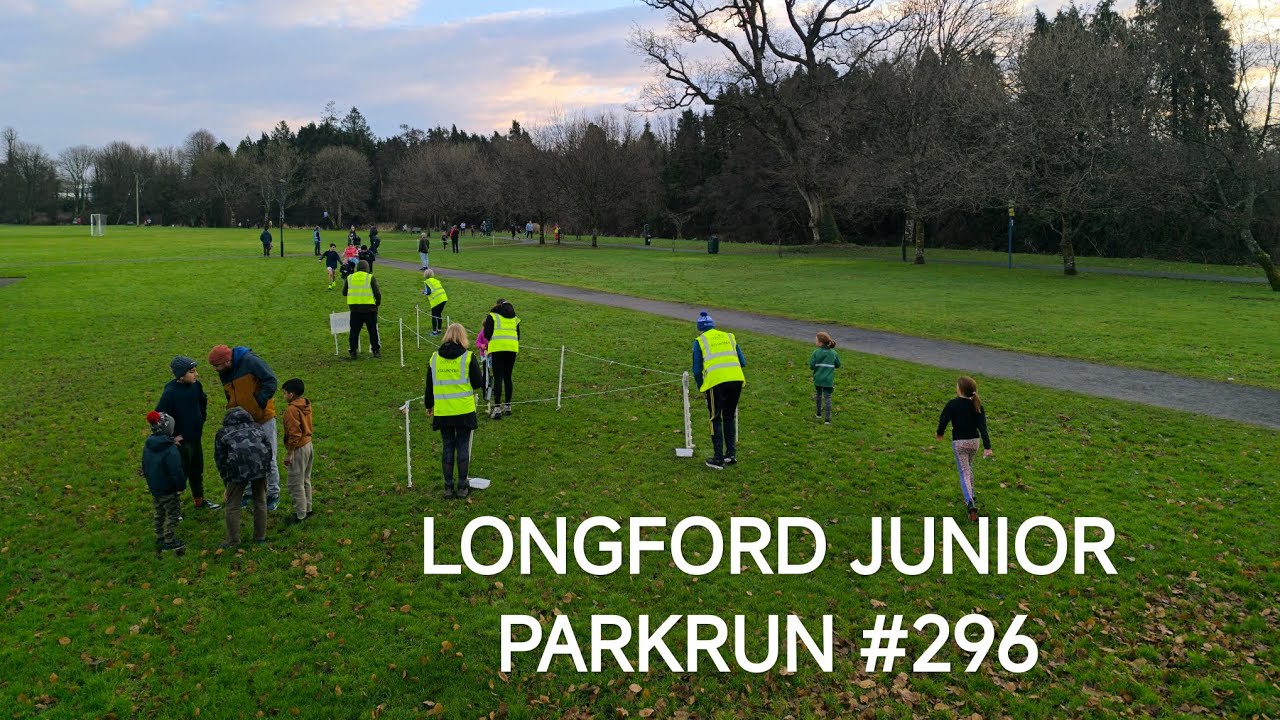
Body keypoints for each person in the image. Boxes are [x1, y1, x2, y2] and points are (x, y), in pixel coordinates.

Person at [208, 344, 281, 510]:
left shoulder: (251, 361)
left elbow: (271, 380)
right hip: (241, 421)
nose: (216, 370)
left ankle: (273, 493)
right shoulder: (224, 371)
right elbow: (229, 393)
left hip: (263, 417)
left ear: (227, 361)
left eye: (217, 366)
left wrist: (258, 403)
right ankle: (248, 492)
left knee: (268, 456)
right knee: (243, 455)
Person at [423, 323, 484, 499]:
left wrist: (429, 406)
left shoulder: (434, 358)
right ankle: (462, 486)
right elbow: (478, 383)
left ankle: (448, 487)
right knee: (462, 447)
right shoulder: (468, 357)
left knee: (448, 447)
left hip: (443, 412)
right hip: (464, 410)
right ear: (462, 337)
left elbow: (429, 387)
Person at [156, 355, 219, 510]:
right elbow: (159, 417)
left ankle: (199, 500)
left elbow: (202, 401)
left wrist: (201, 420)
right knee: (179, 476)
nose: (196, 374)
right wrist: (170, 439)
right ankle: (174, 509)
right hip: (180, 444)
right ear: (181, 375)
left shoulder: (196, 386)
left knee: (197, 470)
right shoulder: (170, 393)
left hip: (195, 438)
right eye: (192, 371)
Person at [691, 311, 745, 470]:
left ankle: (718, 458)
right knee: (729, 416)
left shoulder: (699, 341)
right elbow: (742, 361)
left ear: (699, 328)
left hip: (716, 383)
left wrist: (702, 387)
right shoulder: (729, 336)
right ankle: (731, 455)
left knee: (715, 418)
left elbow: (696, 370)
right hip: (736, 380)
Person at [936, 376, 992, 523]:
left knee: (964, 472)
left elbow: (944, 419)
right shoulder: (977, 405)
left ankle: (970, 504)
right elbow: (983, 427)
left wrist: (940, 432)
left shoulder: (953, 404)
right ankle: (971, 495)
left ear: (959, 389)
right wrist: (987, 446)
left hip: (960, 443)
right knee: (968, 468)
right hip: (974, 442)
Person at [215, 407, 272, 547]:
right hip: (260, 468)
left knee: (232, 505)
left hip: (236, 470)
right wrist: (266, 469)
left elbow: (220, 459)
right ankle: (260, 537)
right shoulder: (258, 428)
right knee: (260, 501)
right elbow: (269, 449)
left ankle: (233, 541)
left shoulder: (222, 433)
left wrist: (226, 482)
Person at [142, 411, 187, 554]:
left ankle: (160, 536)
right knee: (173, 513)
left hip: (155, 487)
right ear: (168, 429)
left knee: (159, 512)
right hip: (168, 489)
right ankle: (169, 541)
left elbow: (144, 466)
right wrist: (181, 485)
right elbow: (176, 471)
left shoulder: (149, 445)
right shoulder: (170, 450)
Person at [281, 378, 314, 526]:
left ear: (292, 394)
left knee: (295, 483)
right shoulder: (305, 404)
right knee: (305, 479)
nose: (283, 396)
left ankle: (300, 514)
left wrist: (290, 453)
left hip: (299, 448)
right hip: (309, 445)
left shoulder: (291, 410)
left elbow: (294, 434)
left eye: (284, 393)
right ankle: (308, 508)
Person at [482, 299, 520, 419]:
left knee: (498, 377)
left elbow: (487, 334)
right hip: (512, 348)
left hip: (498, 348)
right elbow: (518, 335)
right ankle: (508, 406)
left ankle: (497, 408)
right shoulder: (515, 318)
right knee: (508, 376)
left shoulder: (492, 316)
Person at [344, 259, 382, 359]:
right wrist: (377, 303)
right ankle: (375, 350)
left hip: (355, 309)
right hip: (370, 309)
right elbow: (377, 293)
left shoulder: (350, 277)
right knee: (372, 330)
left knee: (354, 332)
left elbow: (344, 292)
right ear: (367, 268)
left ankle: (353, 351)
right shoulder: (370, 277)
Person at [808, 332, 841, 425]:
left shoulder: (816, 352)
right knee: (828, 398)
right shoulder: (834, 353)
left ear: (820, 343)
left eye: (816, 340)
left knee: (818, 395)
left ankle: (818, 414)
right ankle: (827, 419)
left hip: (818, 379)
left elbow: (811, 366)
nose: (815, 341)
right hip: (828, 380)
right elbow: (838, 364)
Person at [422, 269, 448, 335]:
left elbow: (428, 292)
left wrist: (423, 292)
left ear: (425, 275)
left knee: (434, 315)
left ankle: (434, 332)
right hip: (444, 298)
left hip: (436, 300)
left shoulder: (427, 282)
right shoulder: (436, 280)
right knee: (439, 314)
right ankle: (439, 330)